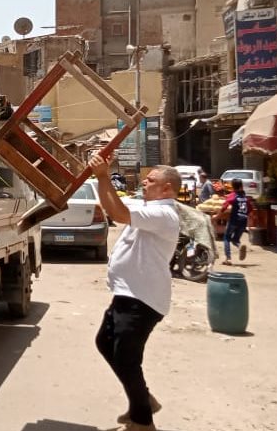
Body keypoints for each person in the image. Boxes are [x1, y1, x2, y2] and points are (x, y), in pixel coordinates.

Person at [88, 153, 180, 431]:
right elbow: (112, 205)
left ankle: (143, 422)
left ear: (167, 188)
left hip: (143, 299)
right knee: (105, 344)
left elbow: (117, 213)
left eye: (151, 181)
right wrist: (103, 173)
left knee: (127, 358)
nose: (144, 183)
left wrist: (104, 175)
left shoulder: (164, 213)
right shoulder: (146, 205)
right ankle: (143, 400)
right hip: (127, 294)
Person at [220, 178, 252, 265]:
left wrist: (218, 214)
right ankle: (239, 245)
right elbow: (250, 209)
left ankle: (228, 258)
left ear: (233, 187)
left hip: (234, 220)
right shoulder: (245, 197)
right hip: (243, 221)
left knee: (226, 238)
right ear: (241, 186)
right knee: (235, 239)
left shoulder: (233, 195)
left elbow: (225, 206)